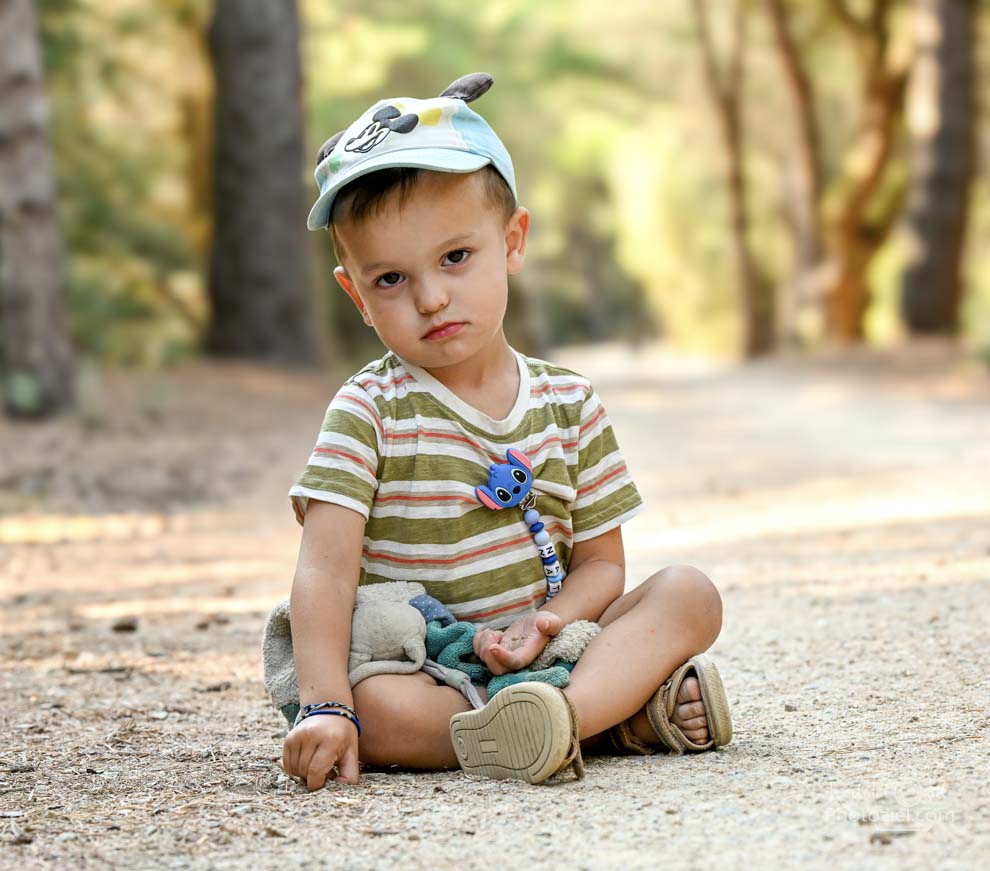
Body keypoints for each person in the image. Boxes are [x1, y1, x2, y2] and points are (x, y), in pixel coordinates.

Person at [280, 73, 732, 791]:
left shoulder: (568, 401)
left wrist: (547, 623)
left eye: (456, 258)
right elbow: (325, 571)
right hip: (423, 667)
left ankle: (559, 716)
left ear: (513, 239)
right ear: (355, 294)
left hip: (548, 645)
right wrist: (325, 704)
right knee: (374, 708)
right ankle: (611, 720)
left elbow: (603, 567)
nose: (431, 298)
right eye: (391, 279)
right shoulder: (368, 410)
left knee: (689, 591)